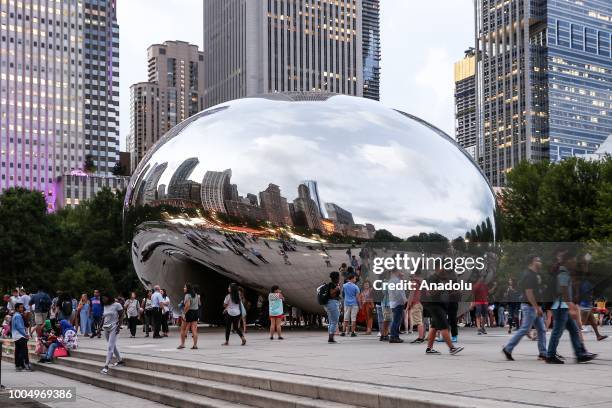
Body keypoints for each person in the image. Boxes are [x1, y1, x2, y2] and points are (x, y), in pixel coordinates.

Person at [546, 252, 596, 364]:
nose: (574, 263)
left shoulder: (564, 272)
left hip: (561, 306)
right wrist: (569, 304)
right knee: (557, 331)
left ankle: (579, 354)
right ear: (567, 261)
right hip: (560, 306)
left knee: (574, 329)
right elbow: (563, 289)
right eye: (573, 261)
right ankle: (550, 355)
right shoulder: (563, 272)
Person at [502, 255, 548, 361]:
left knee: (541, 330)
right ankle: (508, 348)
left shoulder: (536, 275)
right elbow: (529, 293)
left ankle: (543, 353)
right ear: (532, 262)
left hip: (534, 306)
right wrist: (537, 308)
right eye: (538, 260)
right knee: (524, 329)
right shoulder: (529, 275)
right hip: (530, 307)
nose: (540, 262)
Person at [422, 267, 464, 355]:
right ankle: (452, 348)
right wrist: (442, 287)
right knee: (444, 326)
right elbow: (430, 292)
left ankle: (429, 349)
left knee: (434, 327)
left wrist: (455, 292)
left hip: (440, 305)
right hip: (434, 306)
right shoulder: (432, 279)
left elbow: (446, 291)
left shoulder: (442, 279)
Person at [100, 295, 125, 374]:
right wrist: (99, 328)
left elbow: (122, 315)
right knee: (112, 345)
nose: (103, 299)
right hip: (106, 328)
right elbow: (103, 317)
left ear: (109, 297)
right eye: (102, 298)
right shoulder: (105, 306)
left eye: (105, 297)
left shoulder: (117, 305)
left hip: (114, 327)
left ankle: (106, 366)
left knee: (110, 346)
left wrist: (119, 326)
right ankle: (120, 360)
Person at [178, 283, 199, 349]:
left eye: (185, 287)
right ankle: (195, 345)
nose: (183, 288)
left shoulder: (187, 295)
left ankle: (182, 344)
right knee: (194, 330)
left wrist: (183, 313)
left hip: (189, 312)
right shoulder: (196, 295)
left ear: (188, 288)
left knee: (183, 329)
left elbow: (187, 305)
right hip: (195, 312)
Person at [388, 269, 407, 343]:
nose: (400, 273)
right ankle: (394, 336)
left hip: (393, 302)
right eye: (399, 271)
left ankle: (394, 336)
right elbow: (399, 292)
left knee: (395, 320)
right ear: (395, 272)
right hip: (398, 303)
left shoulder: (391, 281)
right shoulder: (397, 281)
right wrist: (404, 300)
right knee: (397, 321)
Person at [11, 303, 32, 371]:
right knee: (23, 351)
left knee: (18, 351)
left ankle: (18, 366)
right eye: (21, 307)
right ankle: (23, 365)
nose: (22, 309)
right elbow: (19, 327)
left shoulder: (15, 315)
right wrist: (25, 334)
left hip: (16, 336)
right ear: (17, 308)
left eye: (22, 307)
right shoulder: (18, 316)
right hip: (20, 336)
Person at [323, 272, 342, 343]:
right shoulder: (332, 284)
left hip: (330, 304)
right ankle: (331, 338)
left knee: (331, 321)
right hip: (332, 303)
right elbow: (331, 294)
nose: (339, 278)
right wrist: (337, 289)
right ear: (336, 278)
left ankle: (330, 337)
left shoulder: (333, 284)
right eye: (338, 277)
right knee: (334, 321)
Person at [407, 270, 425, 343]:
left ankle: (420, 338)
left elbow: (411, 294)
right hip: (420, 303)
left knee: (418, 322)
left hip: (415, 304)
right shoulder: (420, 281)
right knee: (421, 321)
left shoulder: (413, 282)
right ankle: (422, 336)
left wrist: (408, 305)